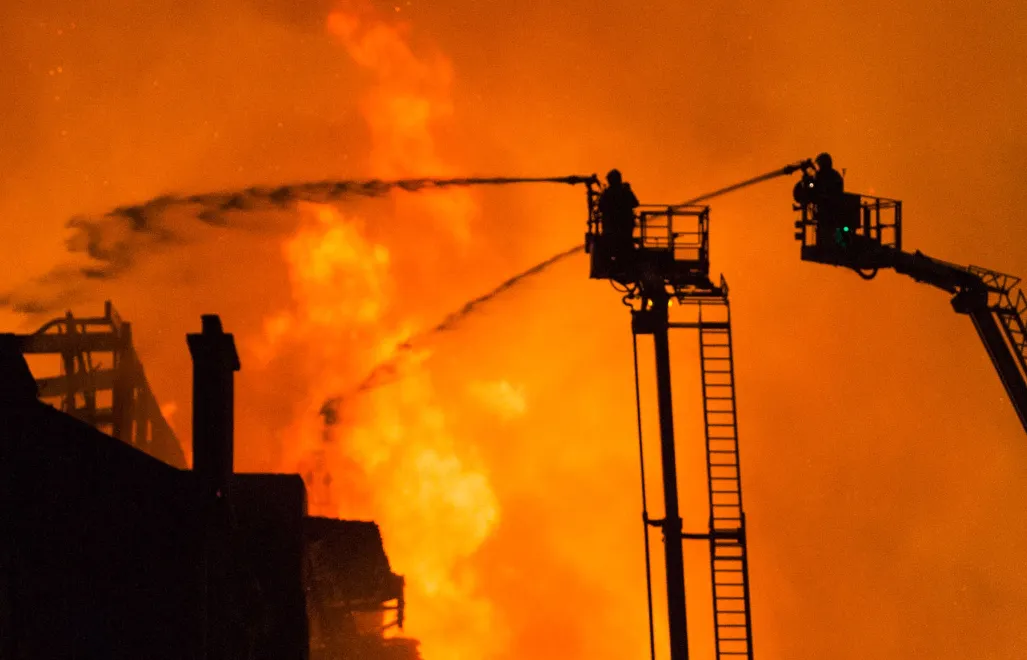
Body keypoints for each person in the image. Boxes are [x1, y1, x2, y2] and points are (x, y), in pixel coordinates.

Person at [597, 169, 639, 266]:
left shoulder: (607, 193)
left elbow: (600, 207)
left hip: (611, 228)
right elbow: (635, 203)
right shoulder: (625, 191)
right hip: (625, 227)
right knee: (625, 246)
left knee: (613, 247)